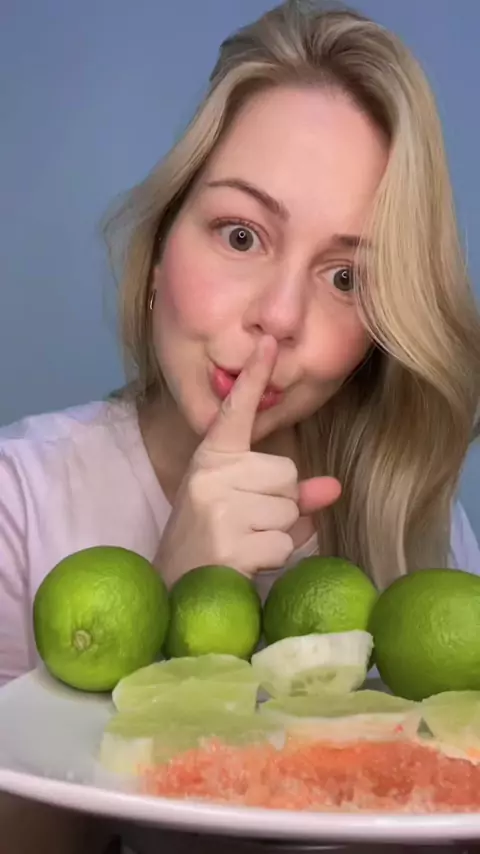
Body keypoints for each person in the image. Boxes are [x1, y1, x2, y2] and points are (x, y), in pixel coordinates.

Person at [1, 1, 480, 852]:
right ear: (158, 254)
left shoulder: (417, 518)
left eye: (345, 278)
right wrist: (163, 597)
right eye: (241, 235)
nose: (280, 317)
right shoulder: (22, 500)